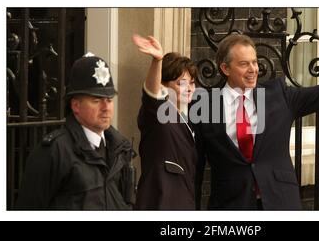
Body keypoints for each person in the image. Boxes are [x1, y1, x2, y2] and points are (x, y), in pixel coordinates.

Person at [194, 22, 319, 210]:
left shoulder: (278, 95)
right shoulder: (205, 107)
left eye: (254, 62)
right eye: (243, 64)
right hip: (230, 205)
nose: (253, 69)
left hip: (280, 201)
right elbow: (195, 170)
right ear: (225, 68)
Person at [15, 53, 136, 210]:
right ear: (76, 106)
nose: (106, 108)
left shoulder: (120, 149)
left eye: (110, 100)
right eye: (96, 100)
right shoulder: (54, 152)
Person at [132, 35, 198, 210]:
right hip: (159, 204)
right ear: (163, 85)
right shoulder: (157, 114)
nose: (189, 88)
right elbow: (152, 95)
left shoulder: (187, 119)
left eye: (192, 83)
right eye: (181, 83)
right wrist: (157, 61)